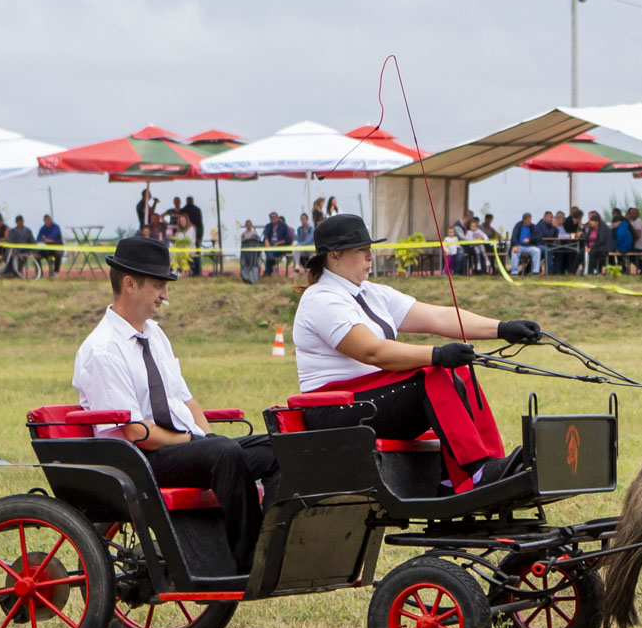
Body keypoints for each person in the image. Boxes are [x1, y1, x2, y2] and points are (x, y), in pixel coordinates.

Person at [292, 214, 538, 493]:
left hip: (368, 397)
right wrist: (436, 355)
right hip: (333, 408)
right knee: (431, 375)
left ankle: (482, 466)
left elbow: (438, 317)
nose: (370, 256)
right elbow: (372, 352)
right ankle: (476, 472)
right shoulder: (321, 299)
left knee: (457, 371)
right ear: (334, 256)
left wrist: (503, 328)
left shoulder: (371, 293)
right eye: (361, 250)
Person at [74, 236, 279, 560]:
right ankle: (246, 556)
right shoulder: (103, 350)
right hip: (140, 460)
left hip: (183, 447)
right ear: (129, 284)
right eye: (158, 285)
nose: (165, 295)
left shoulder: (155, 335)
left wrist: (207, 437)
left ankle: (275, 540)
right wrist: (194, 441)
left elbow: (185, 400)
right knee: (223, 453)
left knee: (276, 448)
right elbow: (133, 431)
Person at [181, 195, 204, 277]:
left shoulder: (184, 210)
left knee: (195, 255)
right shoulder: (196, 210)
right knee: (196, 255)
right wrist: (200, 236)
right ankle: (196, 272)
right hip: (195, 237)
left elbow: (200, 224)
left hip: (194, 238)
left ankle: (194, 272)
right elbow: (200, 225)